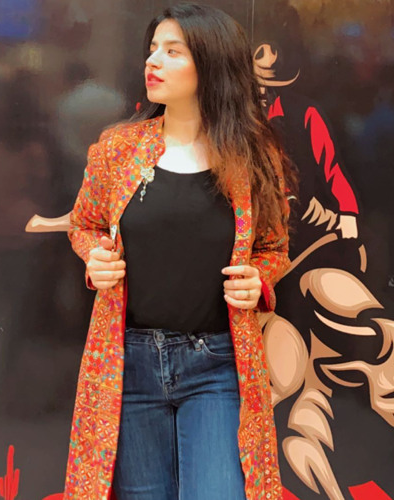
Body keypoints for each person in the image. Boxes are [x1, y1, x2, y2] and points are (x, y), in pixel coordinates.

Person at [64, 4, 290, 500]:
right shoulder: (118, 150)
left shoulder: (252, 155)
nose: (153, 61)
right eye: (152, 50)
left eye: (172, 51)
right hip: (128, 363)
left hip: (217, 364)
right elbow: (85, 224)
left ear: (211, 63)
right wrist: (95, 256)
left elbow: (273, 247)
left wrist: (260, 279)